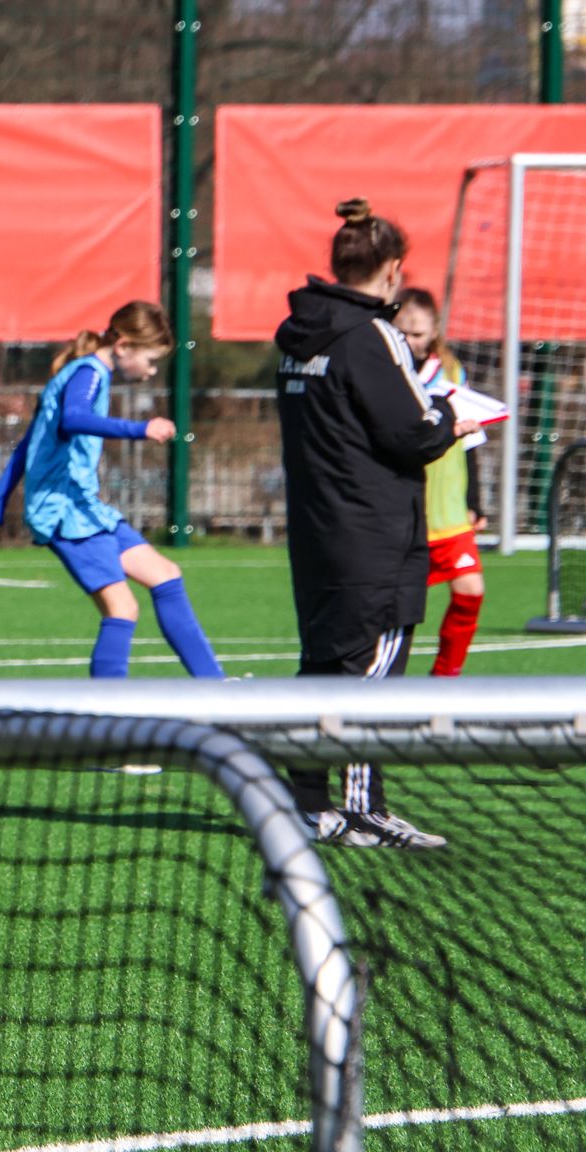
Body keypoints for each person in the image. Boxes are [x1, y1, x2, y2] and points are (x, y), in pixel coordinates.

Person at [274, 200, 480, 849]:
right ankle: (363, 811)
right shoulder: (372, 335)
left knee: (324, 663)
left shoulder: (300, 333)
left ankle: (307, 804)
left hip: (319, 527)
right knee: (371, 670)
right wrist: (451, 422)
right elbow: (410, 434)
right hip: (374, 533)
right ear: (392, 269)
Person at [0, 301, 223, 681]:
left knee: (166, 575)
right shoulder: (88, 372)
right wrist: (140, 429)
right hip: (64, 512)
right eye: (150, 360)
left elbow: (28, 445)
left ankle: (216, 688)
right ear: (123, 346)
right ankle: (107, 707)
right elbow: (74, 419)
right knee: (122, 609)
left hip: (85, 507)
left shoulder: (87, 373)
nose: (151, 370)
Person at [392, 286, 485, 677]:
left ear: (433, 332)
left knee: (470, 592)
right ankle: (382, 677)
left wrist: (474, 501)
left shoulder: (451, 372)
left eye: (418, 333)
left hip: (449, 512)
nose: (411, 340)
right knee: (397, 607)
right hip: (406, 512)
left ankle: (445, 678)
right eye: (403, 332)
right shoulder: (387, 372)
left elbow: (471, 442)